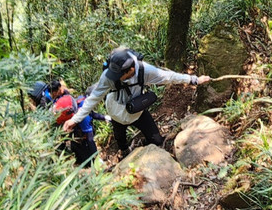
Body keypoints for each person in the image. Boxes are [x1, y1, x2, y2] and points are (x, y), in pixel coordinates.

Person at [62, 46, 212, 156]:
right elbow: (93, 98)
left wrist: (194, 80)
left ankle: (143, 149)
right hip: (116, 113)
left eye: (119, 75)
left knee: (156, 139)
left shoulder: (145, 71)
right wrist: (75, 119)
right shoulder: (110, 75)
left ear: (130, 70)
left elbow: (169, 77)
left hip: (137, 111)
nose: (114, 78)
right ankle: (125, 151)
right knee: (120, 139)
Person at [51, 84, 99, 167]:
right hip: (77, 138)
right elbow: (90, 139)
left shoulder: (79, 100)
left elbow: (92, 114)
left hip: (71, 134)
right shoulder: (83, 115)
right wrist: (97, 158)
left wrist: (105, 117)